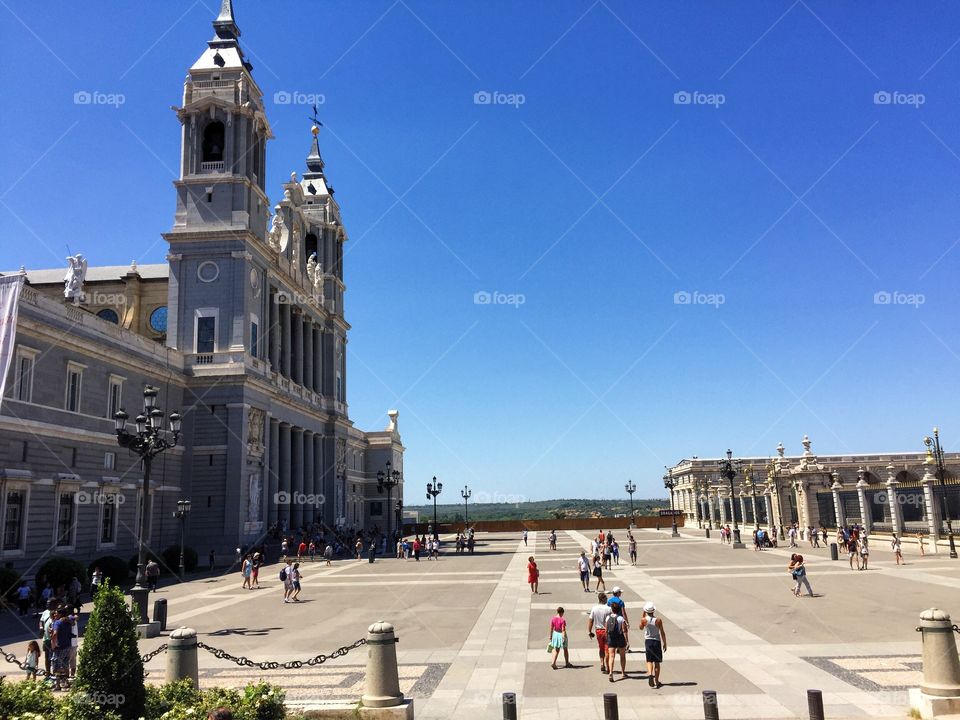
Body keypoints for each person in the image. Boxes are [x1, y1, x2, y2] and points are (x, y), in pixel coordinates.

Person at [640, 601, 667, 688]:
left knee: (649, 660)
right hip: (657, 641)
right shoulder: (658, 620)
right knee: (657, 662)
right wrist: (665, 643)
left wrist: (643, 615)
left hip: (648, 641)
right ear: (653, 611)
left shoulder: (644, 620)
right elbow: (662, 632)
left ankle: (650, 674)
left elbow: (640, 628)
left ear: (646, 611)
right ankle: (657, 680)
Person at [588, 592, 612, 673]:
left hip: (598, 631)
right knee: (607, 649)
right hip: (607, 631)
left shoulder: (594, 608)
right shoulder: (608, 609)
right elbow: (611, 620)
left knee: (601, 648)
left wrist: (589, 631)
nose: (607, 599)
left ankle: (602, 663)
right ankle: (608, 667)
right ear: (603, 599)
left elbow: (591, 620)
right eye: (606, 598)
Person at [605, 604, 628, 682]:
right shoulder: (621, 618)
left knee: (611, 656)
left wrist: (607, 638)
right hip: (620, 638)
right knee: (622, 655)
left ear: (612, 609)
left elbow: (606, 629)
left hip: (611, 638)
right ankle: (623, 672)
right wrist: (627, 640)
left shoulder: (608, 617)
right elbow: (624, 630)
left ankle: (611, 672)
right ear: (619, 610)